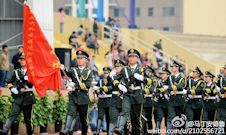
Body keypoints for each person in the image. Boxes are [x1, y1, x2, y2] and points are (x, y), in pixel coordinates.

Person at [113, 49, 149, 135]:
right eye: (129, 56)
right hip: (127, 94)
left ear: (137, 58)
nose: (131, 58)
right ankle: (119, 127)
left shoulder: (142, 70)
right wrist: (119, 85)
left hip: (137, 94)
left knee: (135, 119)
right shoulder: (124, 69)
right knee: (125, 110)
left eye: (133, 56)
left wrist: (142, 79)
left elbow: (150, 81)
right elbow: (115, 80)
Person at [0, 55, 35, 135]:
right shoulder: (16, 72)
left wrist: (29, 80)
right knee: (12, 115)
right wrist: (12, 89)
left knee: (28, 120)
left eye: (24, 60)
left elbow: (33, 85)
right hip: (18, 98)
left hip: (28, 99)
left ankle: (30, 133)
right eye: (21, 60)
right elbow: (8, 82)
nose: (22, 61)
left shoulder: (31, 72)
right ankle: (4, 131)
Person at [60, 50, 92, 135]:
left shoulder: (88, 72)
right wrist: (62, 68)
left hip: (83, 98)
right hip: (74, 97)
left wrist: (74, 85)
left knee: (83, 120)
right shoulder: (73, 70)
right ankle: (66, 130)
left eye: (81, 58)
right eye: (78, 58)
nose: (79, 60)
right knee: (71, 112)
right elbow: (66, 73)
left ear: (86, 60)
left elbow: (88, 85)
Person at [166, 60, 186, 132]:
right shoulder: (170, 77)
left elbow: (181, 86)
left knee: (180, 117)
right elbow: (165, 85)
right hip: (172, 98)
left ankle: (181, 131)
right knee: (171, 116)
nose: (172, 68)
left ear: (177, 68)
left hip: (180, 99)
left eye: (173, 67)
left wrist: (168, 88)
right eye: (171, 67)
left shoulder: (182, 77)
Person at [93, 67, 113, 134]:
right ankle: (97, 131)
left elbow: (112, 88)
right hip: (101, 100)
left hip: (109, 100)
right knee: (100, 116)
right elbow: (95, 92)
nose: (105, 74)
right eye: (104, 73)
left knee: (109, 117)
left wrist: (102, 88)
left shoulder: (112, 81)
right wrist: (96, 91)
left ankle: (109, 132)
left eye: (107, 73)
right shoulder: (100, 81)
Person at [108, 59, 125, 135]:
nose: (116, 68)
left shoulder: (125, 76)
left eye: (119, 66)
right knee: (113, 118)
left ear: (122, 67)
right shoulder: (113, 76)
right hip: (114, 98)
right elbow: (106, 84)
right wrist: (109, 76)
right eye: (116, 66)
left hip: (124, 98)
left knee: (123, 118)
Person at [142, 65, 157, 134]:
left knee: (149, 118)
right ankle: (144, 132)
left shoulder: (152, 81)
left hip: (148, 102)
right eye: (147, 71)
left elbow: (151, 90)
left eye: (149, 72)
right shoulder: (142, 80)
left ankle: (150, 132)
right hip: (141, 101)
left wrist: (142, 91)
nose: (148, 73)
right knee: (143, 118)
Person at [215, 64, 226, 134]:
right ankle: (220, 131)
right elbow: (217, 88)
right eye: (224, 69)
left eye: (225, 69)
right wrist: (220, 94)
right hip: (222, 101)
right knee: (222, 116)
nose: (224, 70)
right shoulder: (220, 79)